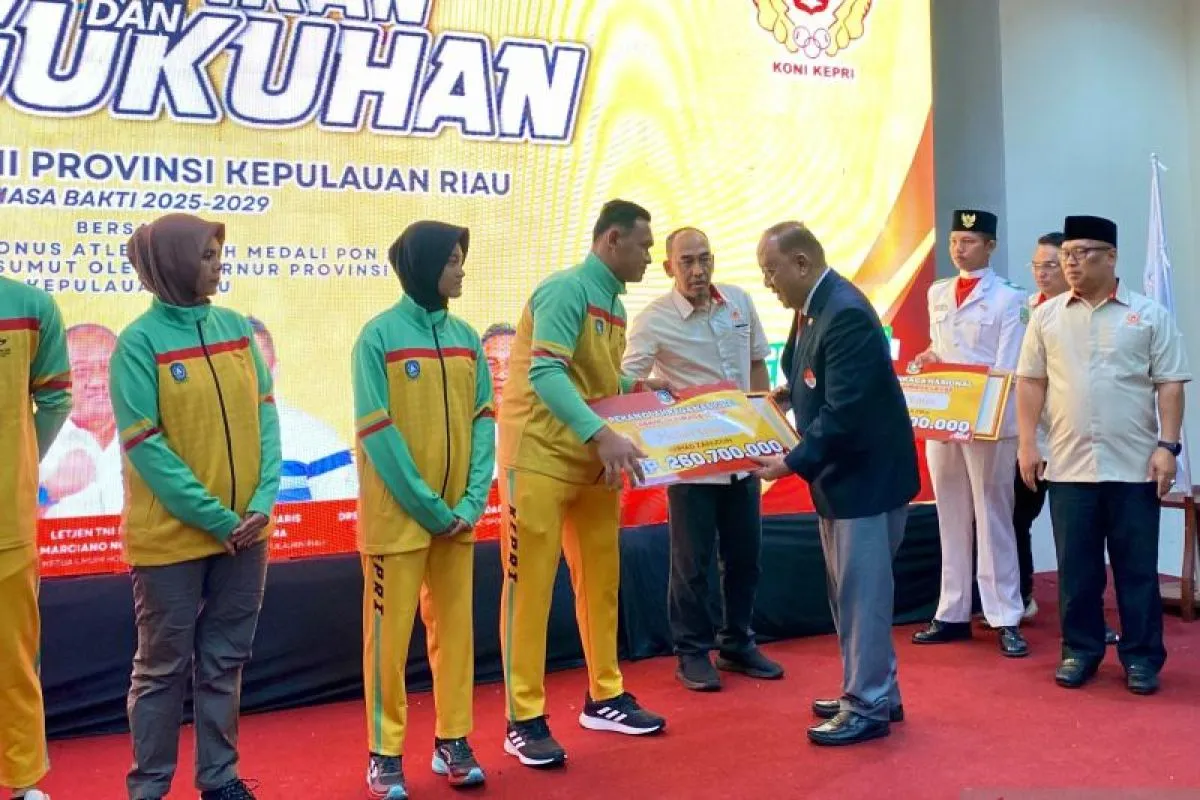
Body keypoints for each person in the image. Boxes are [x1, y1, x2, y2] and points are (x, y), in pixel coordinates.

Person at [111, 214, 281, 800]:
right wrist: (218, 518)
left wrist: (262, 501)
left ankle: (220, 778)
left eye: (217, 253)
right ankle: (150, 787)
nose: (217, 264)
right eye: (206, 256)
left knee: (225, 660)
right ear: (174, 264)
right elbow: (146, 446)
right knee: (160, 668)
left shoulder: (235, 328)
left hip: (247, 534)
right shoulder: (138, 345)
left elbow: (266, 416)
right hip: (170, 541)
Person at [497, 199, 669, 768]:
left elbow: (593, 375)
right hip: (539, 459)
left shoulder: (613, 304)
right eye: (645, 246)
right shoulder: (565, 289)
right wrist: (600, 433)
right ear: (612, 239)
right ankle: (522, 718)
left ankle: (605, 696)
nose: (650, 258)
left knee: (601, 583)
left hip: (593, 463)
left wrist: (644, 390)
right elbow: (546, 371)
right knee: (529, 591)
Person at [750, 221, 919, 746]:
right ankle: (875, 690)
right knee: (851, 595)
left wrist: (790, 463)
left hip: (865, 482)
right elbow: (813, 377)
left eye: (771, 271)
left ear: (802, 263)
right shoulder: (814, 307)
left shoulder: (843, 313)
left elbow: (845, 413)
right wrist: (782, 398)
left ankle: (866, 703)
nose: (768, 283)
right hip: (844, 480)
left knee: (862, 597)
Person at [1016, 215, 1190, 695]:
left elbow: (1170, 384)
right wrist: (1028, 444)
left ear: (1111, 257)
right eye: (1065, 255)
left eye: (1082, 254)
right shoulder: (1047, 317)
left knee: (1137, 570)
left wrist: (1167, 447)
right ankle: (1080, 650)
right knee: (1078, 570)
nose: (1070, 264)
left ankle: (1142, 658)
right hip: (1068, 464)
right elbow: (1030, 382)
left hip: (1134, 465)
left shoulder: (1148, 314)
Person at [353, 221, 494, 798]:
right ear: (424, 264)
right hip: (397, 523)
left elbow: (483, 420)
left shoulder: (466, 338)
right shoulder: (377, 338)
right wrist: (432, 507)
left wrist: (472, 500)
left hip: (458, 520)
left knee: (455, 637)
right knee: (387, 645)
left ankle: (453, 740)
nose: (461, 270)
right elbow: (377, 431)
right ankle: (384, 753)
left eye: (461, 259)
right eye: (452, 260)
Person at [622, 226, 783, 692]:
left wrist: (763, 434)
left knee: (745, 558)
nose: (698, 269)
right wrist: (651, 393)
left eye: (704, 259)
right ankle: (691, 651)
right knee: (691, 564)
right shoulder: (653, 320)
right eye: (687, 261)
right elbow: (627, 379)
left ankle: (737, 643)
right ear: (669, 267)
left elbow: (757, 364)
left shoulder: (738, 302)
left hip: (743, 455)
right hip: (692, 462)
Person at [911, 209, 1030, 658]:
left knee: (992, 513)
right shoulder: (938, 292)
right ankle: (952, 610)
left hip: (987, 419)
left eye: (969, 241)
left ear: (990, 246)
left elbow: (1007, 366)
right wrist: (928, 358)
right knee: (950, 512)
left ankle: (1004, 613)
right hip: (944, 417)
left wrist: (972, 402)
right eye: (954, 241)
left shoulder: (1010, 298)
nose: (959, 249)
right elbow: (941, 347)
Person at [0, 277, 72, 800]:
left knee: (14, 659)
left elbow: (55, 399)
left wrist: (20, 466)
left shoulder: (29, 305)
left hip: (7, 521)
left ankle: (23, 782)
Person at [1011, 233, 1068, 618]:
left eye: (1051, 265)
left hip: (1068, 436)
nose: (1042, 273)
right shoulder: (1024, 309)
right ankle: (1021, 595)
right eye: (1037, 265)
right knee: (1017, 515)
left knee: (1075, 526)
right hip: (1029, 436)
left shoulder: (1077, 312)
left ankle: (1084, 610)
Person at [248, 317, 358, 503]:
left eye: (259, 369)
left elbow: (341, 518)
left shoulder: (317, 439)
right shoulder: (200, 444)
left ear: (275, 370)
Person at [39, 324, 123, 518]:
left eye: (108, 368)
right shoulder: (33, 442)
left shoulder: (153, 439)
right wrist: (49, 491)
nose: (97, 381)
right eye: (81, 371)